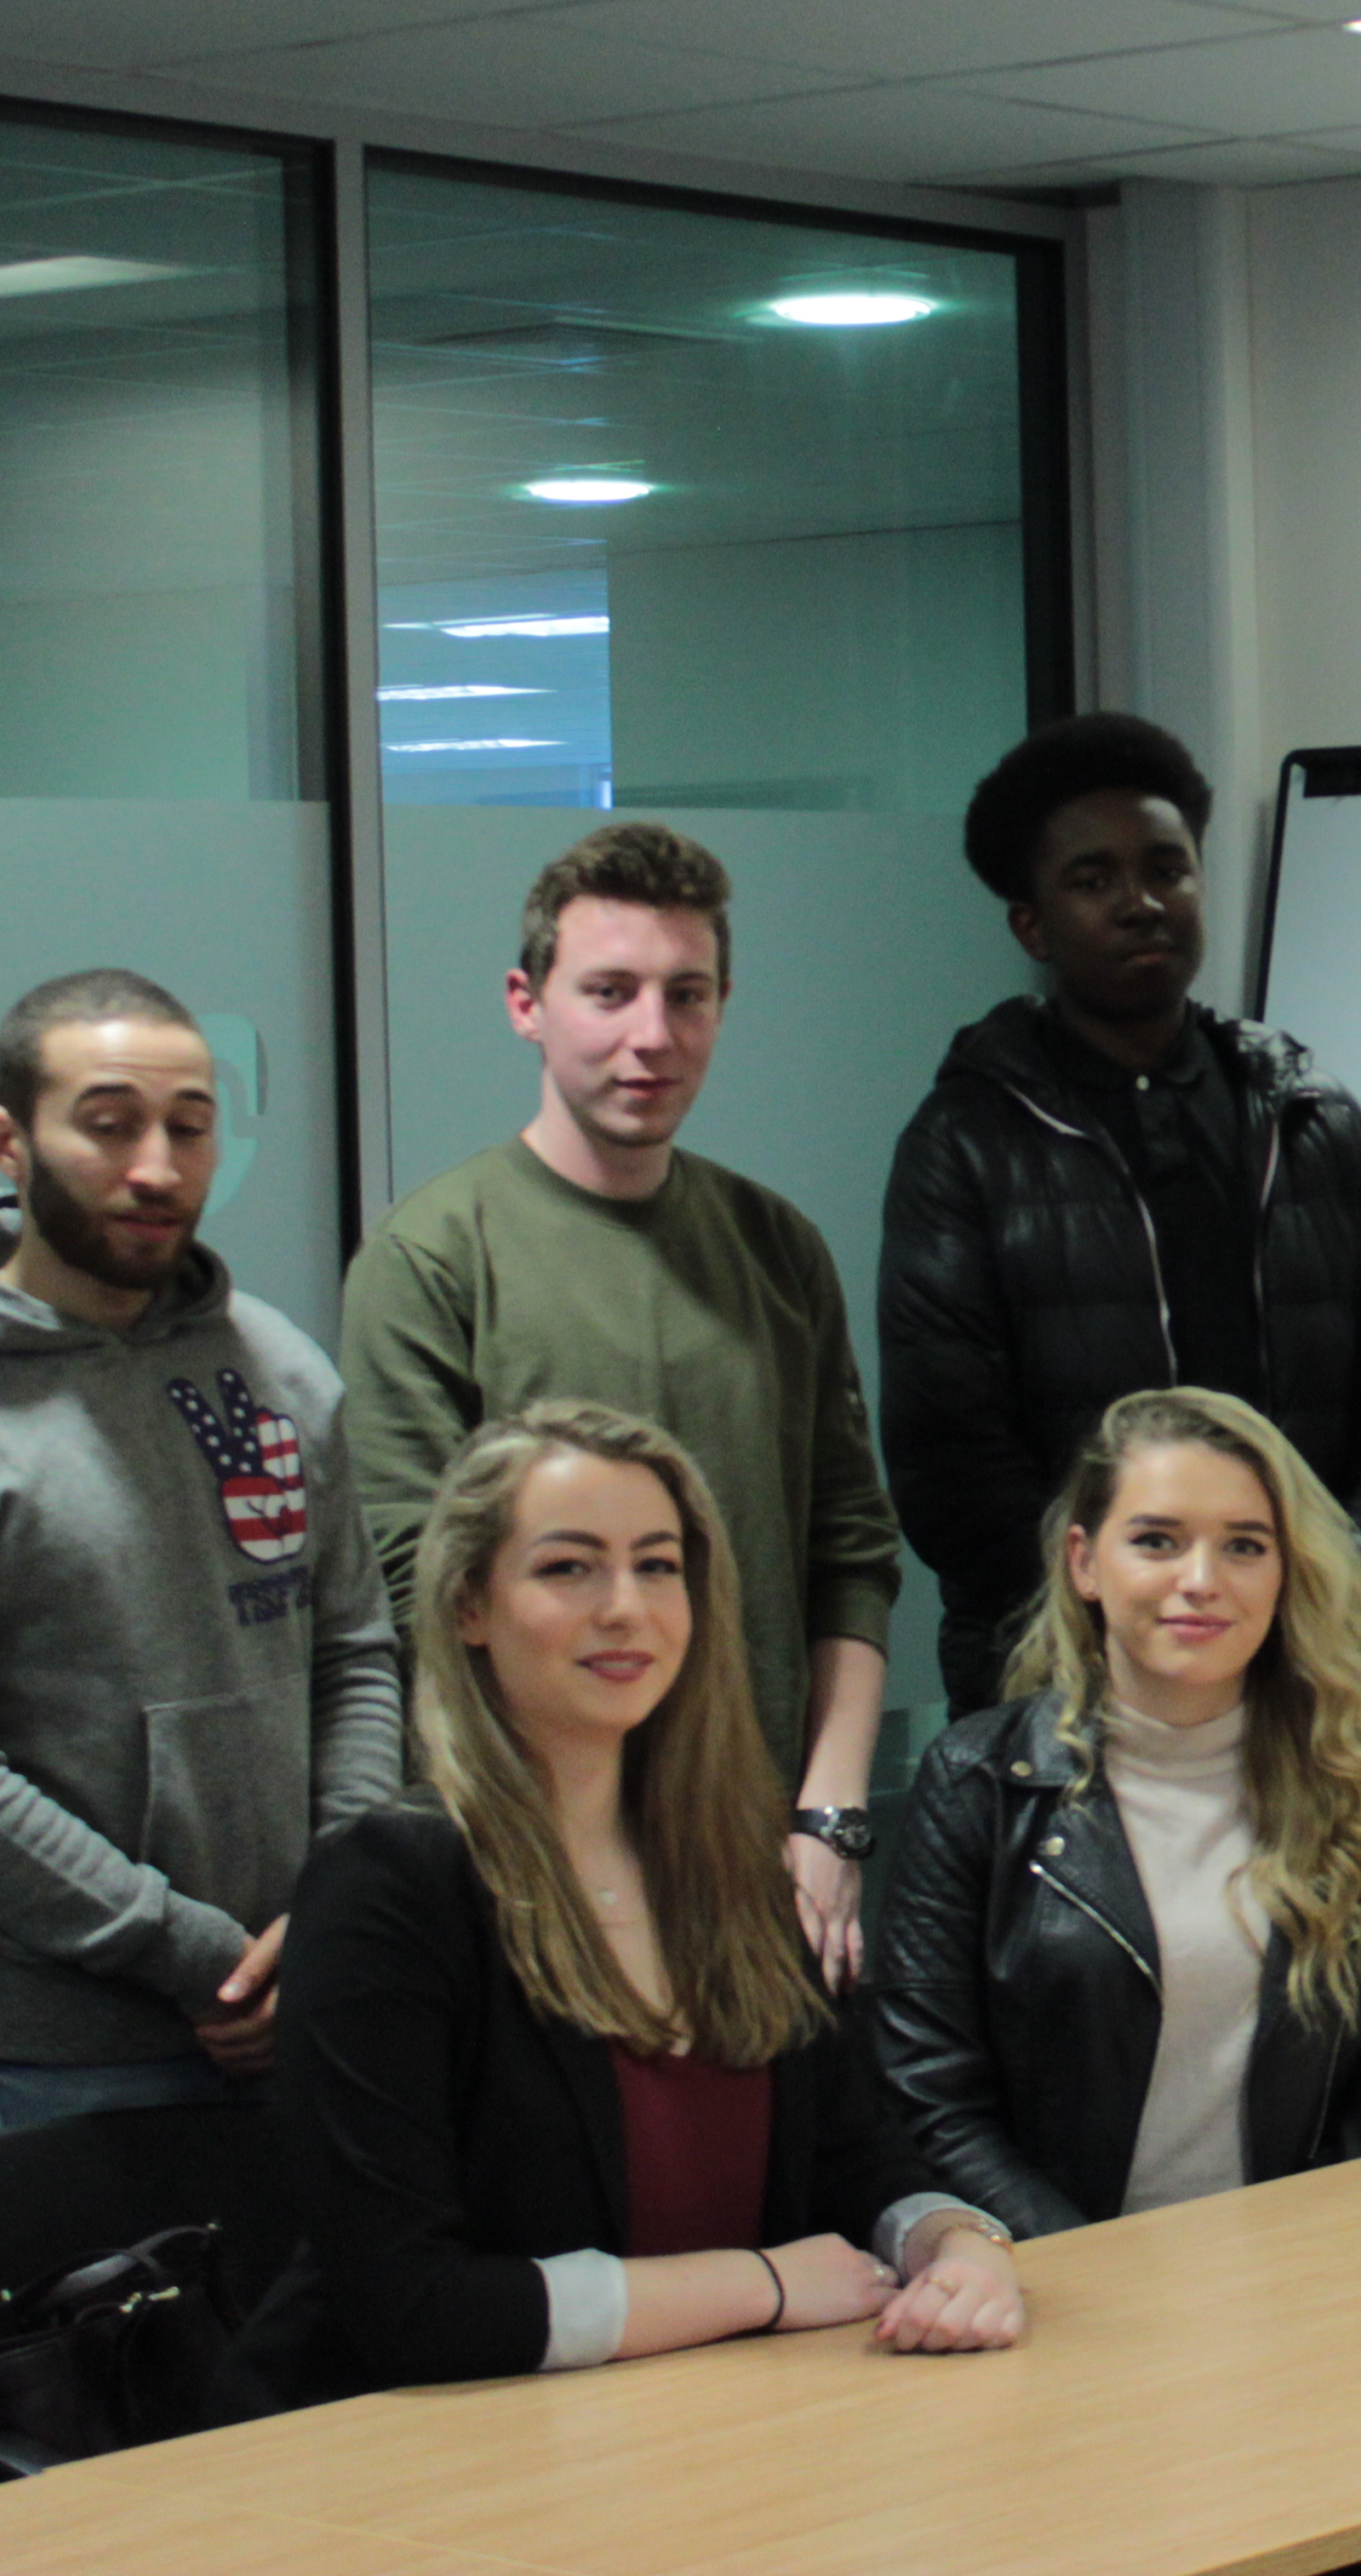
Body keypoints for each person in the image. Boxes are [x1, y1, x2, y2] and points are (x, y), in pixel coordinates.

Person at [233, 1401, 1023, 2407]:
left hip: (697, 2428)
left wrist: (956, 2245)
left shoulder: (738, 1869)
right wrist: (765, 2283)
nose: (625, 1606)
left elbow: (858, 2160)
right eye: (568, 1567)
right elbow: (409, 2305)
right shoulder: (390, 1885)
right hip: (413, 2477)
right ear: (470, 1606)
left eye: (657, 1566)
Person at [0, 970, 399, 2146]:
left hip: (310, 2025)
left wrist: (325, 1918)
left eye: (190, 1125)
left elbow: (357, 1653)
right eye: (110, 1122)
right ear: (7, 1142)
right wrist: (200, 1958)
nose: (159, 1168)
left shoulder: (277, 1366)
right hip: (56, 2070)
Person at [341, 820, 901, 1987]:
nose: (653, 1036)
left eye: (686, 995)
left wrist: (830, 1815)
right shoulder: (433, 1258)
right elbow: (421, 1591)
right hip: (532, 1868)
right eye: (609, 991)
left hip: (766, 1863)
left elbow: (850, 1550)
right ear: (525, 1003)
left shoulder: (776, 1248)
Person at [880, 713, 1361, 1725]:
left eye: (1167, 869)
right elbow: (950, 1459)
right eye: (1094, 880)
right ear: (1033, 925)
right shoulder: (966, 1140)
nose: (1142, 903)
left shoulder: (1311, 1119)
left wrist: (1332, 1618)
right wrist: (1122, 1641)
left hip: (1303, 1687)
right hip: (1062, 1698)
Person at [873, 1387, 1361, 2233]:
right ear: (1084, 1562)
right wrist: (1095, 2273)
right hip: (1058, 2294)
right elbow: (930, 2097)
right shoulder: (976, 1780)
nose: (1201, 1582)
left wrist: (1299, 2260)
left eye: (1244, 1546)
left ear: (1287, 1567)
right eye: (1157, 1541)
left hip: (1307, 2280)